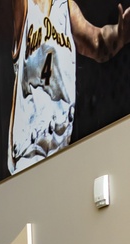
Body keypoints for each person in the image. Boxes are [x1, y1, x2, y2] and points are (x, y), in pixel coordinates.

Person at [9, 0, 130, 174]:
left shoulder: (66, 7)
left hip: (61, 144)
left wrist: (120, 34)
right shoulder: (24, 5)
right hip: (29, 151)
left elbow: (97, 42)